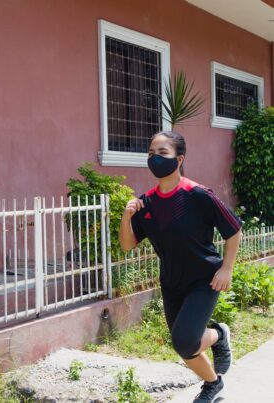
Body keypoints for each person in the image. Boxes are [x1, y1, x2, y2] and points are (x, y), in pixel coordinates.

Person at [119, 131, 242, 403]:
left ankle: (219, 334)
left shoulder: (198, 195)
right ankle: (213, 383)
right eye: (151, 153)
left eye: (163, 153)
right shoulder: (147, 203)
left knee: (185, 341)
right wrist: (126, 216)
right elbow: (128, 245)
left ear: (179, 158)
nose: (155, 158)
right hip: (172, 282)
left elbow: (233, 231)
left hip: (204, 279)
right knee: (184, 345)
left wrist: (227, 269)